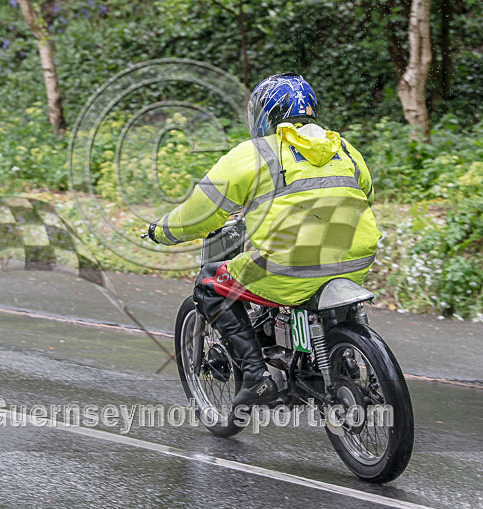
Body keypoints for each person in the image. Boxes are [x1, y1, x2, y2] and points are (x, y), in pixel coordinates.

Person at [147, 73, 381, 406]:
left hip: (288, 266)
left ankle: (256, 377)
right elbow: (365, 196)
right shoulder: (344, 148)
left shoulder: (253, 154)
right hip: (354, 261)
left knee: (210, 285)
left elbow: (201, 212)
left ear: (265, 115)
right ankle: (332, 357)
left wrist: (162, 231)